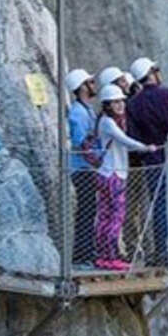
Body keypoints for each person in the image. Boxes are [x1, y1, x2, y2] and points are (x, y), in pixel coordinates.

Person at [124, 56, 168, 265]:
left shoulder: (134, 104)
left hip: (152, 159)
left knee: (159, 206)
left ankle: (161, 252)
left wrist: (146, 153)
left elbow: (134, 135)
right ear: (152, 72)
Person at [93, 84, 157, 271]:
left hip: (106, 172)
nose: (120, 105)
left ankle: (103, 255)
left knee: (105, 216)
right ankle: (111, 256)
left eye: (121, 101)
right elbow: (124, 140)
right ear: (107, 105)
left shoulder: (104, 121)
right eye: (115, 102)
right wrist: (145, 147)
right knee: (116, 216)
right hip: (114, 174)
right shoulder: (108, 122)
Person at [65, 67, 99, 266]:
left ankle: (86, 250)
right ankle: (81, 253)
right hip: (82, 168)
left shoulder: (86, 110)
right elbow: (80, 141)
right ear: (82, 87)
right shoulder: (78, 112)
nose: (94, 86)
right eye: (90, 82)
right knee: (86, 210)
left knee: (89, 209)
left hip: (87, 167)